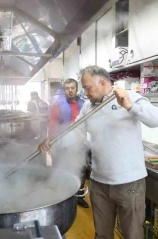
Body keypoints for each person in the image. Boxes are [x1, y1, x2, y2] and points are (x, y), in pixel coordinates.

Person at [39, 65, 158, 239]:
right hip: (99, 184)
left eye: (88, 88)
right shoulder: (88, 108)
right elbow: (75, 134)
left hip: (129, 184)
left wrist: (129, 105)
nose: (85, 93)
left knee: (133, 235)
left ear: (102, 82)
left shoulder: (130, 97)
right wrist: (52, 141)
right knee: (102, 235)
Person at [48, 78, 90, 208]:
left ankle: (79, 197)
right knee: (62, 168)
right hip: (63, 143)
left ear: (77, 89)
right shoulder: (58, 104)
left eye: (72, 88)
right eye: (67, 88)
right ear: (64, 90)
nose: (70, 91)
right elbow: (53, 123)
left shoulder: (84, 104)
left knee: (81, 170)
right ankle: (61, 197)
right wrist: (51, 142)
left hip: (80, 143)